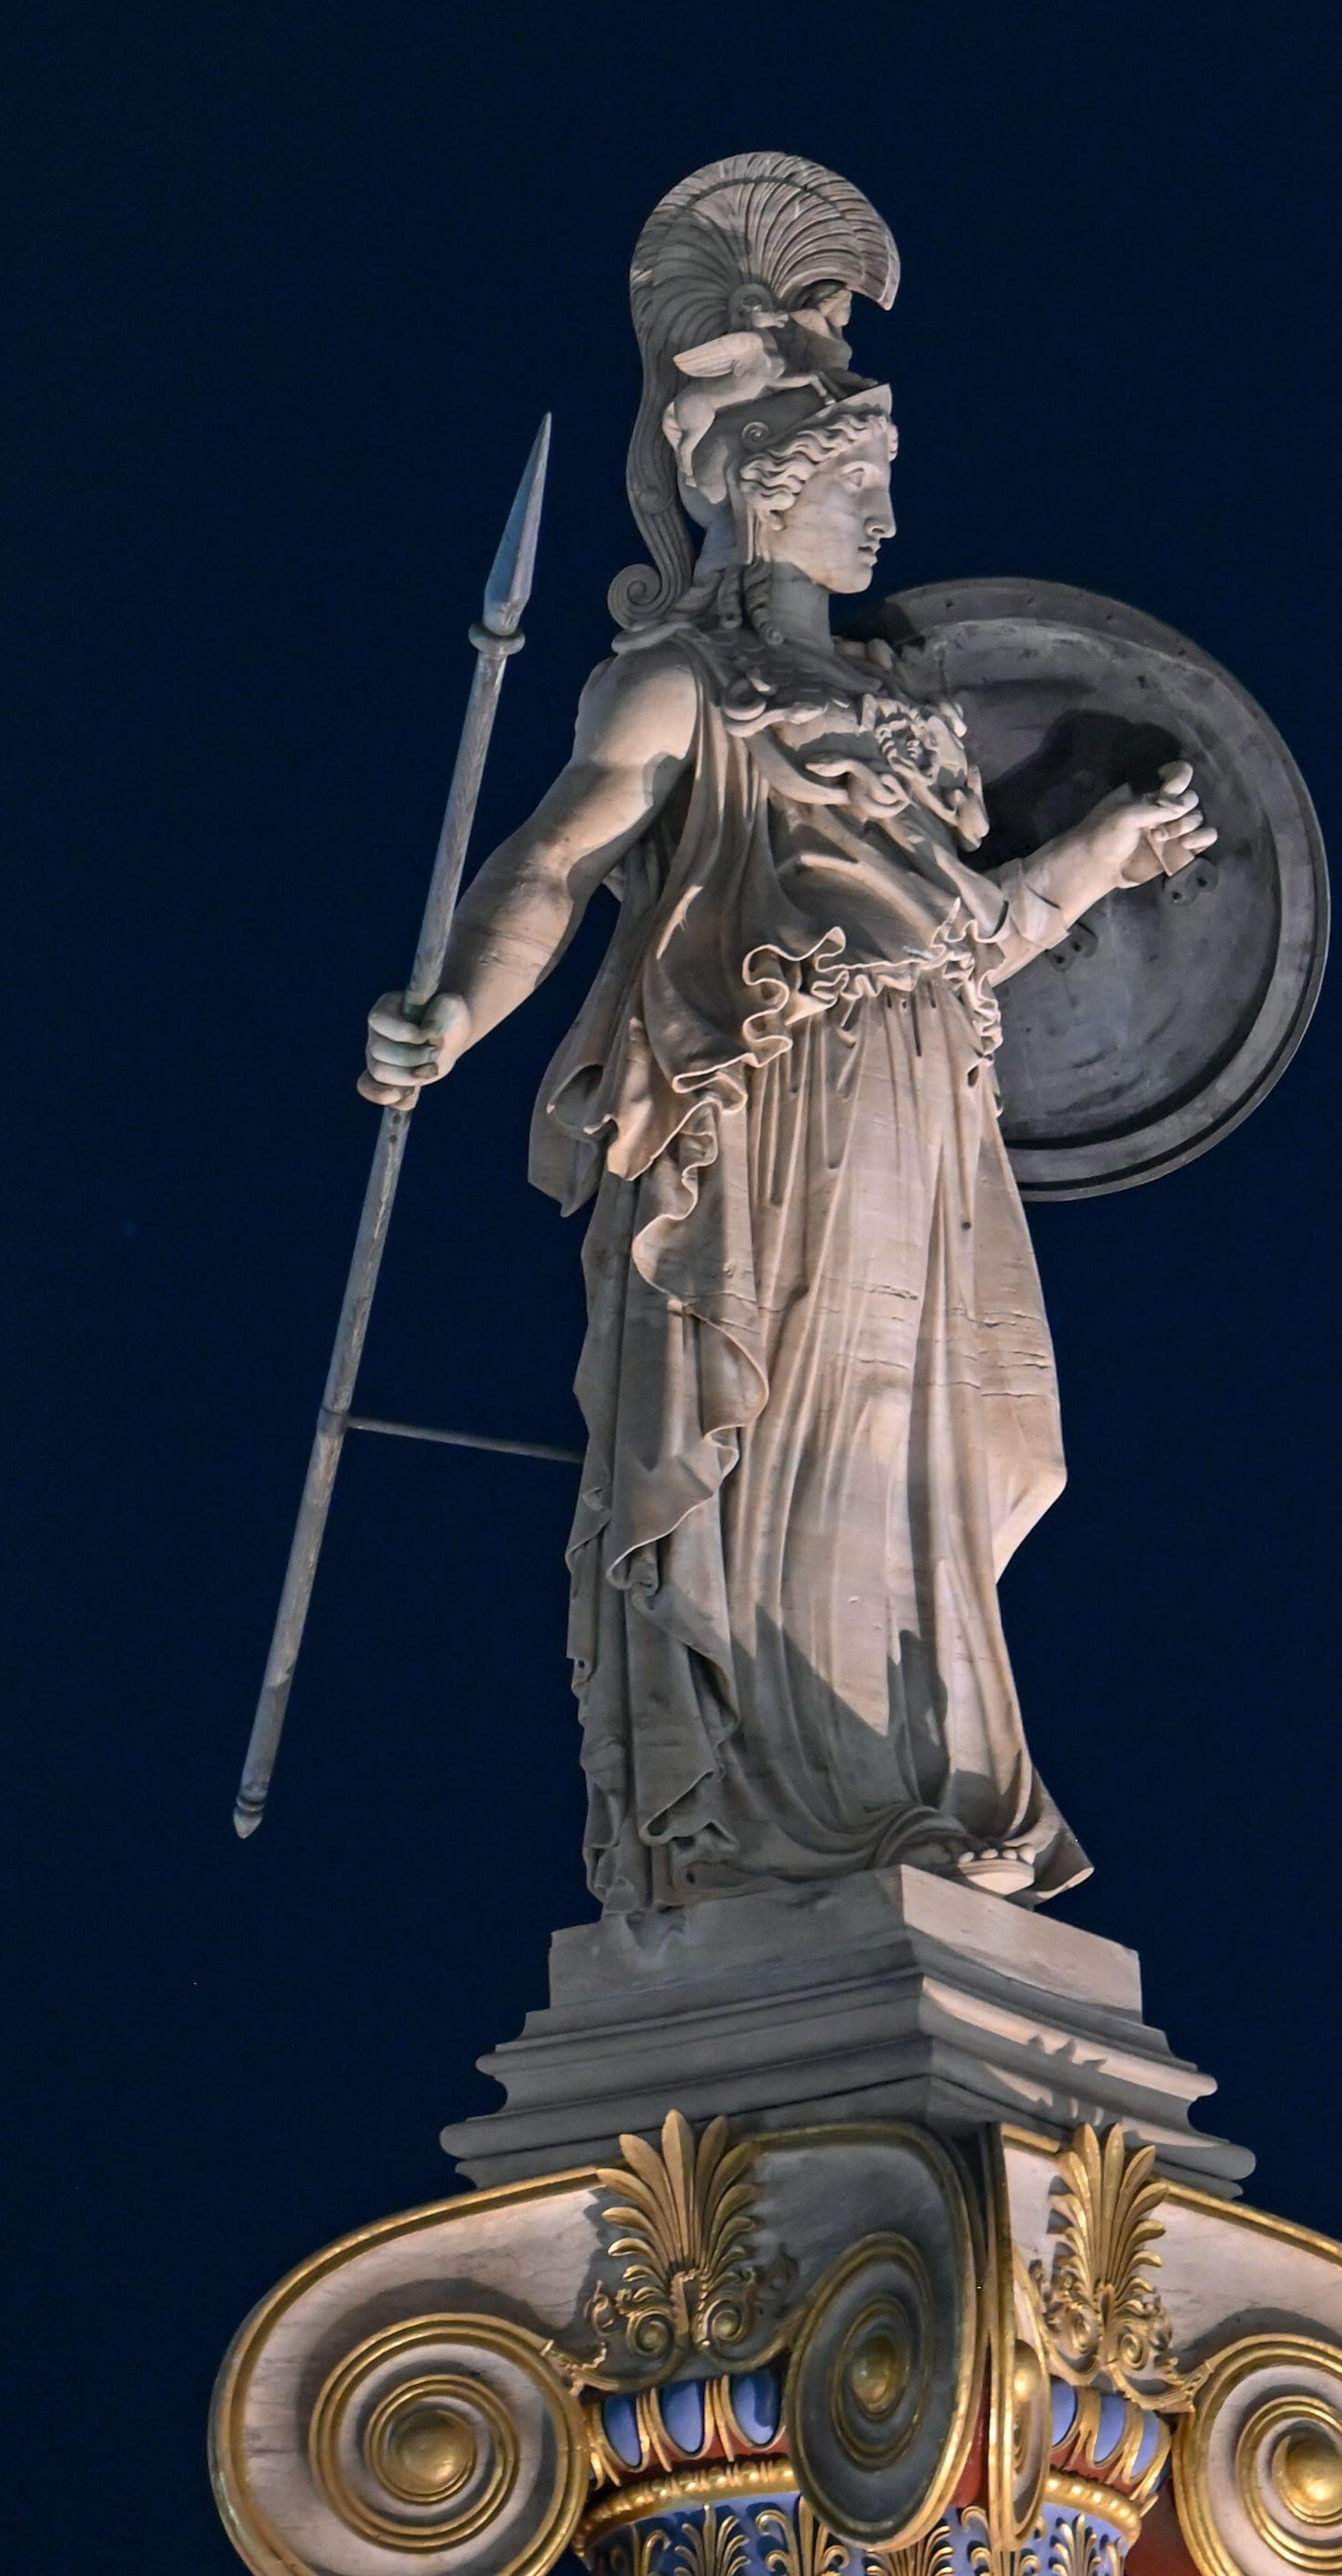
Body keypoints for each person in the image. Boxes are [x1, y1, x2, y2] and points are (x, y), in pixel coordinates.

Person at [362, 156, 1207, 1911]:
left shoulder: (905, 717)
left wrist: (1105, 851)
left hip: (923, 1102)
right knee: (784, 1432)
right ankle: (775, 1814)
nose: (886, 522)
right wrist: (451, 1009)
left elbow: (976, 935)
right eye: (860, 484)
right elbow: (553, 859)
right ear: (767, 489)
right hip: (771, 1106)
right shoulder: (682, 686)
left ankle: (925, 1790)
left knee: (917, 1446)